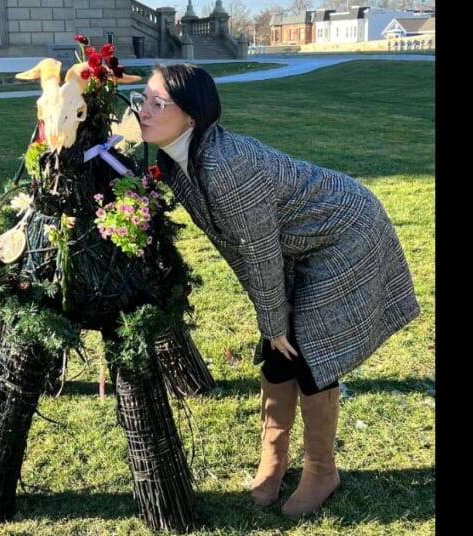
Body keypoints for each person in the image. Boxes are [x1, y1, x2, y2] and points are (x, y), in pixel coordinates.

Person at [130, 64, 420, 518]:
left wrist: (273, 319)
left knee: (308, 348)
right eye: (141, 98)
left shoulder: (226, 166)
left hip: (346, 233)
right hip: (297, 245)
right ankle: (274, 456)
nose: (143, 110)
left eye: (157, 103)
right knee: (276, 350)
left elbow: (259, 249)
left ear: (191, 116)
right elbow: (239, 245)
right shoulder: (173, 158)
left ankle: (322, 470)